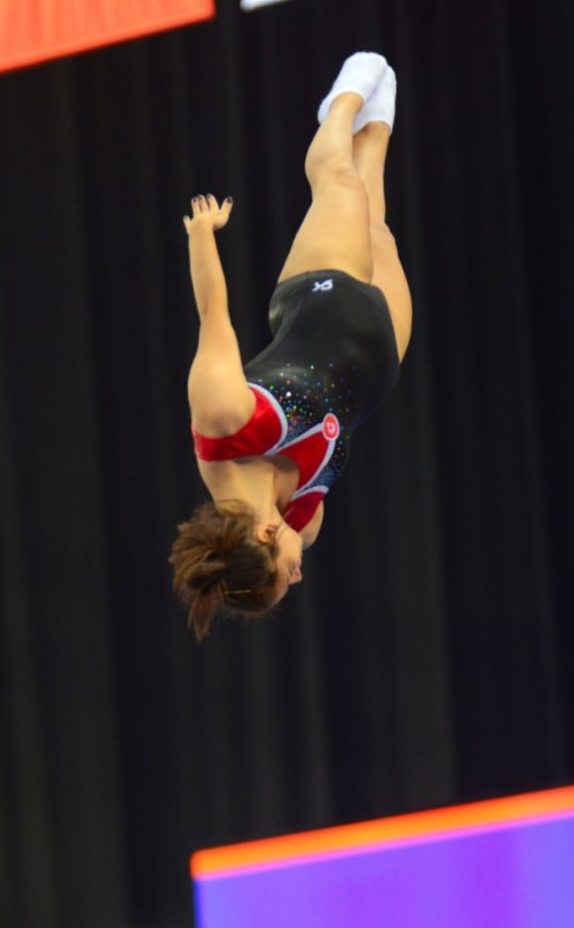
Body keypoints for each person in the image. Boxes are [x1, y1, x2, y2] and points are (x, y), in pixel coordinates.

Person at [170, 52, 413, 641]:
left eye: (284, 575)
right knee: (377, 221)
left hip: (320, 296)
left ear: (262, 538)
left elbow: (214, 317)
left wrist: (202, 239)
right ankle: (375, 125)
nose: (298, 575)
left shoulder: (225, 423)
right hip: (380, 352)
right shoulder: (300, 524)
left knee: (338, 180)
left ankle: (343, 104)